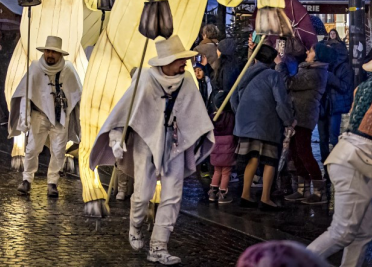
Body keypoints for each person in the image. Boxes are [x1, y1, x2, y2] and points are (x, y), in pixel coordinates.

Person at [92, 35, 214, 265]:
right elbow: (123, 112)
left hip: (175, 145)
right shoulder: (145, 80)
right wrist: (116, 139)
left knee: (173, 196)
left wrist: (200, 134)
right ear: (166, 62)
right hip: (145, 143)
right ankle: (136, 226)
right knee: (142, 193)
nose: (185, 63)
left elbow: (195, 113)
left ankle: (159, 246)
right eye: (179, 59)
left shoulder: (187, 81)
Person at [307, 35, 372, 266]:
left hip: (353, 162)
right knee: (342, 232)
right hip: (355, 164)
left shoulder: (364, 88)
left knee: (362, 233)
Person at [8, 36, 81, 198]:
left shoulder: (68, 69)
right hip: (39, 115)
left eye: (53, 52)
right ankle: (27, 179)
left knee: (58, 150)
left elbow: (77, 94)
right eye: (48, 51)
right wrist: (25, 116)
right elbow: (25, 93)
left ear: (59, 54)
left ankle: (52, 182)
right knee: (32, 148)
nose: (50, 55)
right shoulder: (35, 68)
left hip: (60, 116)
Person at [231, 43, 294, 211]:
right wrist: (288, 121)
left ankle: (245, 194)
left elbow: (233, 98)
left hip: (245, 124)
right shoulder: (273, 76)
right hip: (267, 123)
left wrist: (242, 114)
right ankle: (266, 198)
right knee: (269, 160)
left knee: (252, 158)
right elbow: (281, 102)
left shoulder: (245, 73)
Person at [280, 42, 334, 204]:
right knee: (295, 152)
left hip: (304, 116)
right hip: (297, 115)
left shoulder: (315, 73)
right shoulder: (309, 69)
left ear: (317, 56)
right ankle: (302, 188)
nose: (307, 53)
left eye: (310, 51)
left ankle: (319, 191)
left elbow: (290, 83)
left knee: (304, 152)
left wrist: (280, 65)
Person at [321, 29, 354, 159]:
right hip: (324, 106)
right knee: (323, 137)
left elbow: (345, 87)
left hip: (336, 106)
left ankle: (335, 163)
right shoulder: (324, 65)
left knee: (333, 136)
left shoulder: (345, 67)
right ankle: (326, 163)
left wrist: (331, 78)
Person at [208, 91, 236, 204]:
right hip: (228, 147)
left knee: (217, 170)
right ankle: (223, 194)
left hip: (215, 147)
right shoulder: (231, 117)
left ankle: (213, 191)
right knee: (226, 171)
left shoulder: (212, 117)